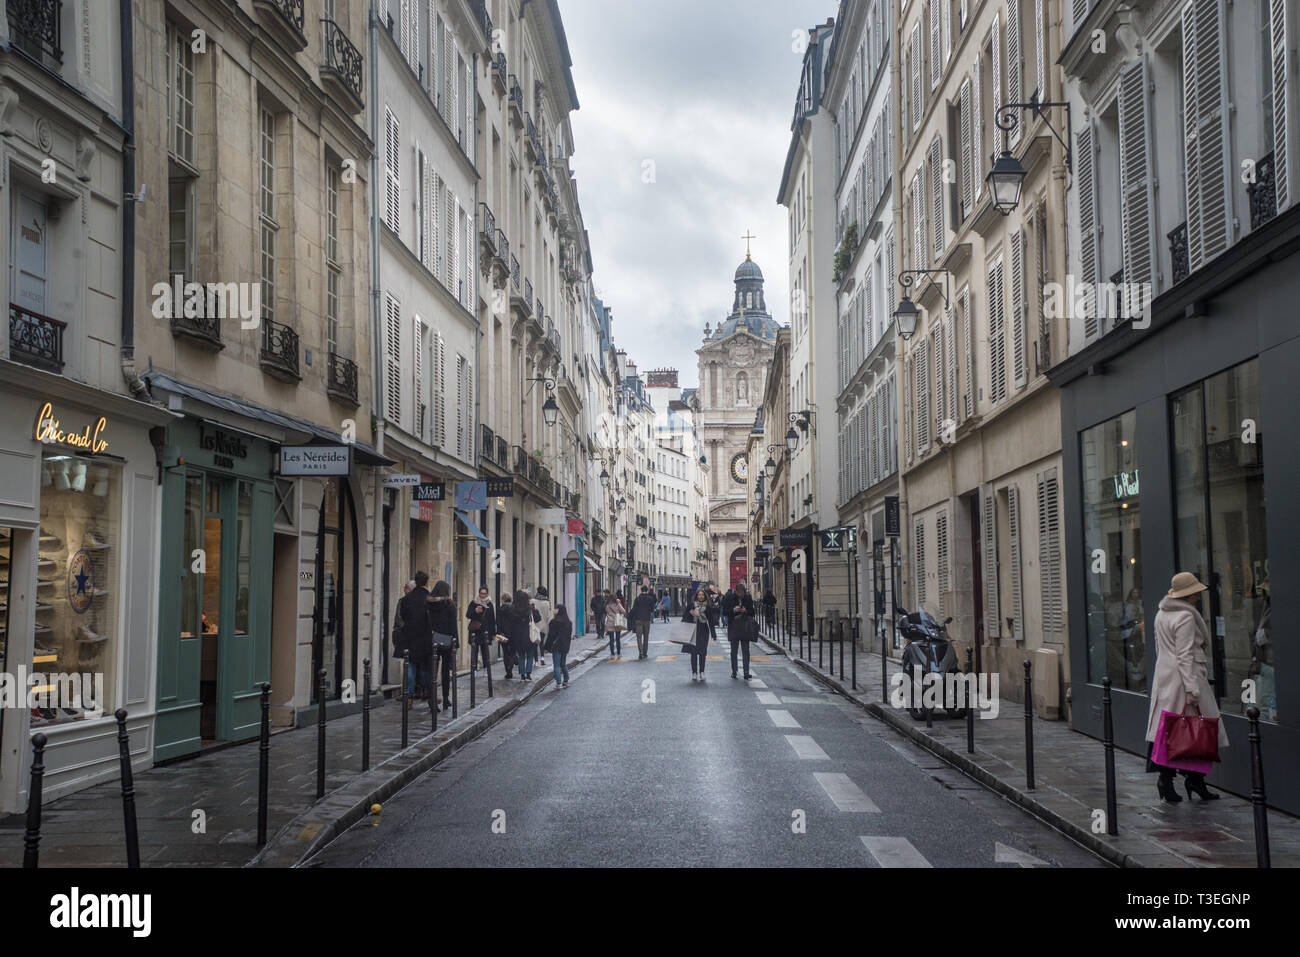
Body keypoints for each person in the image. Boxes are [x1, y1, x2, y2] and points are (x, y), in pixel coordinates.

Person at [1145, 572, 1229, 802]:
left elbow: (1160, 648)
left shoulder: (1162, 614)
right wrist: (1192, 689)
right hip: (1183, 680)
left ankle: (1172, 781)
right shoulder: (1185, 617)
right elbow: (1184, 655)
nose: (1198, 596)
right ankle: (1191, 781)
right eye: (1196, 593)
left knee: (1170, 732)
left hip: (1166, 678)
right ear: (1189, 594)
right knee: (1195, 731)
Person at [396, 572, 433, 708]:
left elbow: (404, 617)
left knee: (410, 666)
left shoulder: (407, 599)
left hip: (410, 637)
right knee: (424, 668)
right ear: (426, 582)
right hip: (424, 638)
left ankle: (409, 696)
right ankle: (429, 694)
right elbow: (431, 620)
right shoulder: (429, 598)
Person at [427, 580, 459, 711]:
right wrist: (456, 642)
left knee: (432, 672)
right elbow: (453, 625)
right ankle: (445, 699)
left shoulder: (428, 604)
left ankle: (432, 700)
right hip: (446, 639)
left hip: (432, 639)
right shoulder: (449, 604)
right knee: (446, 671)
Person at [726, 583, 757, 679]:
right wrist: (733, 610)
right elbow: (724, 612)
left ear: (744, 592)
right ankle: (734, 671)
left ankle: (746, 672)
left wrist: (746, 611)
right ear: (736, 591)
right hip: (733, 627)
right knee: (733, 651)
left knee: (746, 650)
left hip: (745, 627)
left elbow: (753, 613)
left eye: (742, 593)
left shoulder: (747, 598)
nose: (740, 595)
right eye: (738, 592)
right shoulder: (730, 598)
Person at [505, 589, 536, 680]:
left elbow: (510, 623)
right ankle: (528, 673)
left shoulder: (512, 609)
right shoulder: (529, 608)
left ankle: (522, 674)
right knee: (530, 655)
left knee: (521, 655)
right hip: (529, 635)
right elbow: (537, 618)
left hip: (517, 636)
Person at [467, 588, 496, 678]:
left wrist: (493, 633)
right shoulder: (474, 603)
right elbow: (468, 615)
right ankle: (474, 669)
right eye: (481, 593)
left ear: (487, 594)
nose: (483, 595)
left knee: (485, 651)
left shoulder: (489, 604)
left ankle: (486, 669)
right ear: (479, 593)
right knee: (474, 651)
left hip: (485, 631)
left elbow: (492, 620)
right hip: (475, 630)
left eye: (485, 593)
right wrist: (475, 611)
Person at [544, 605, 573, 688]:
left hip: (556, 646)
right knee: (563, 663)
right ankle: (566, 680)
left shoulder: (554, 622)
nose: (554, 610)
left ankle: (558, 682)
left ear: (559, 610)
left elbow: (550, 636)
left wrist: (546, 647)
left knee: (556, 665)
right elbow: (569, 636)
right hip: (565, 646)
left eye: (556, 608)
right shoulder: (569, 622)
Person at [687, 589, 712, 681]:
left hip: (704, 631)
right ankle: (694, 672)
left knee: (702, 652)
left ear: (704, 596)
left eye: (702, 595)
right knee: (693, 653)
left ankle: (702, 672)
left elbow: (711, 620)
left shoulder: (707, 607)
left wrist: (713, 634)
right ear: (696, 596)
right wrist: (690, 613)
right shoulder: (692, 605)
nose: (701, 596)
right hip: (693, 630)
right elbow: (685, 616)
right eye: (699, 595)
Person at [630, 585, 657, 660]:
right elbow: (652, 609)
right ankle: (645, 653)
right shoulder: (650, 599)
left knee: (639, 637)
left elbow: (634, 609)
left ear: (641, 590)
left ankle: (640, 653)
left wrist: (629, 615)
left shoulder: (637, 599)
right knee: (646, 637)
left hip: (638, 619)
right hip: (647, 620)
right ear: (647, 591)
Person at [498, 593, 516, 678]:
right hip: (513, 633)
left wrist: (498, 634)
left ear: (503, 600)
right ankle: (511, 666)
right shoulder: (514, 608)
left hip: (502, 634)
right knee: (512, 652)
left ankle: (508, 672)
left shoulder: (500, 609)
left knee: (505, 653)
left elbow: (498, 623)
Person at [533, 586, 552, 667]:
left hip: (535, 625)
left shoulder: (533, 601)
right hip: (544, 625)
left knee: (535, 643)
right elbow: (548, 616)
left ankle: (536, 662)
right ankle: (542, 658)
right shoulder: (547, 602)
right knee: (541, 643)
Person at [605, 592, 627, 658]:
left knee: (611, 640)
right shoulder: (617, 604)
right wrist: (618, 603)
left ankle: (612, 654)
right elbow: (624, 611)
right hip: (617, 622)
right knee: (617, 639)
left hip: (610, 623)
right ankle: (619, 653)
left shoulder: (607, 605)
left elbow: (606, 612)